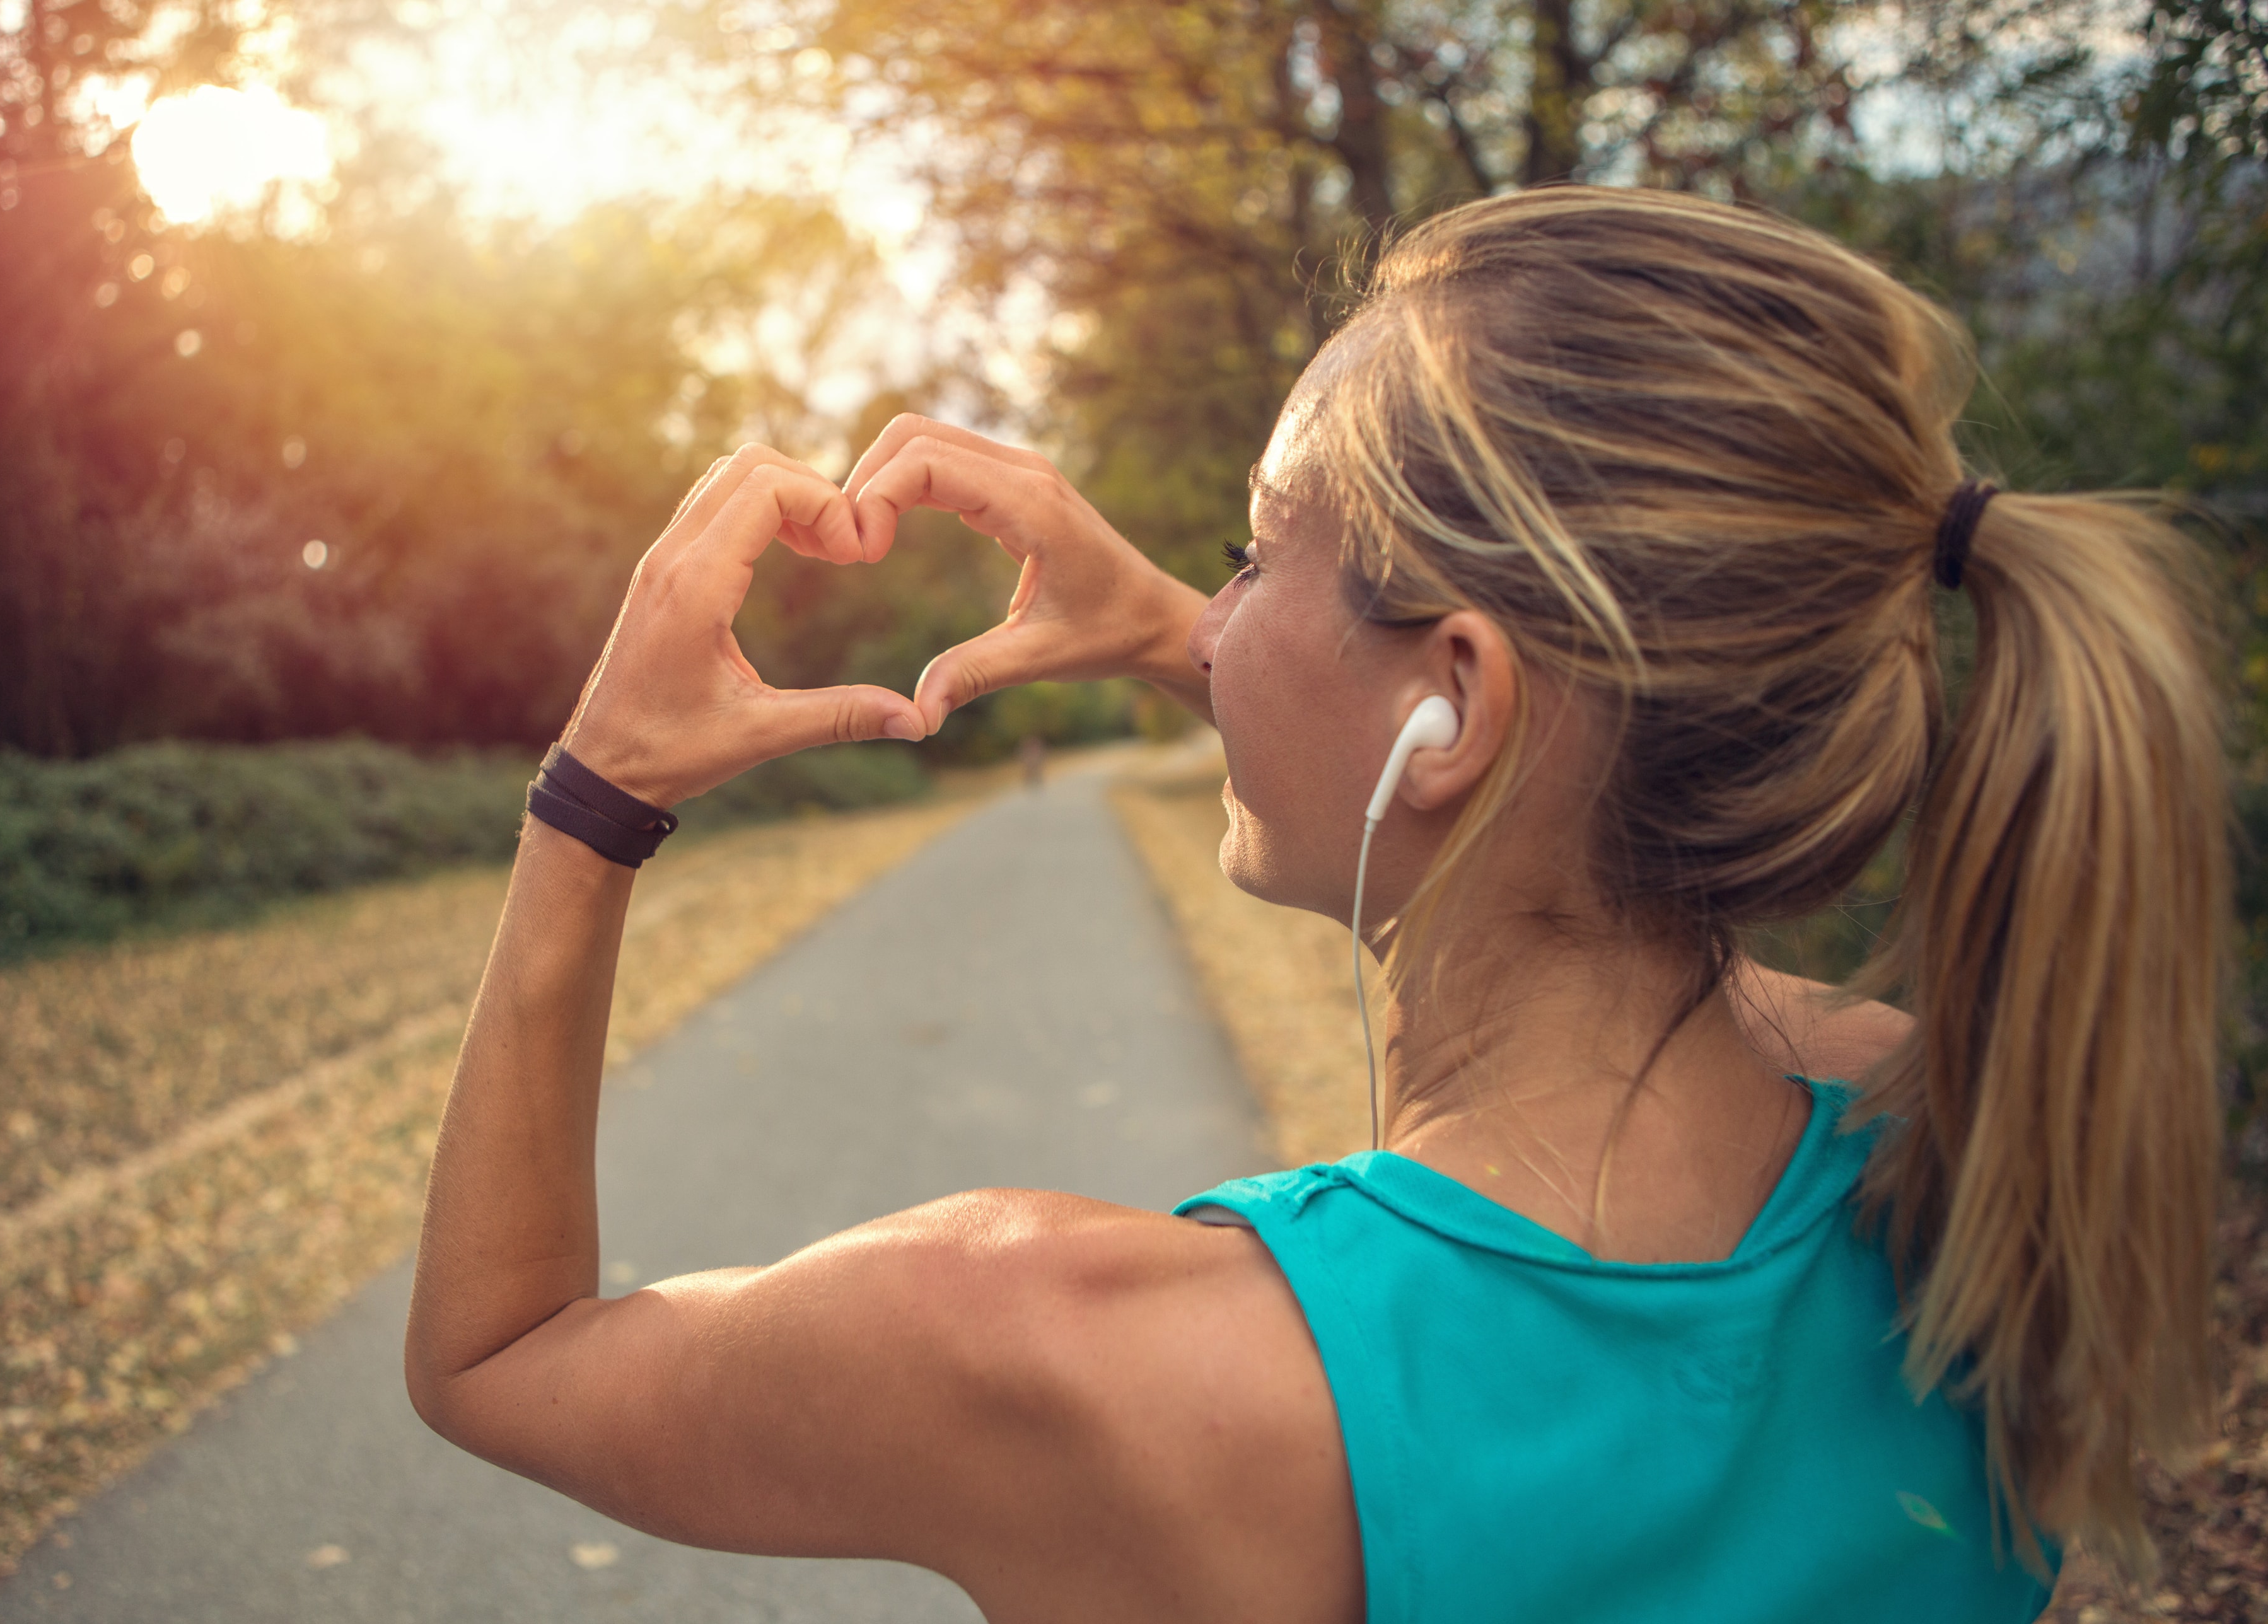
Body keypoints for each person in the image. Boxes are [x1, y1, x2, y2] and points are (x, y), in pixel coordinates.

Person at [402, 187, 2227, 1621]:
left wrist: (595, 794)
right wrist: (1173, 633)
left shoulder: (1063, 1351)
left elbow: (499, 1360)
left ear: (1449, 703)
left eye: (1254, 552)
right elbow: (1511, 805)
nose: (1215, 612)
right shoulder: (1961, 1138)